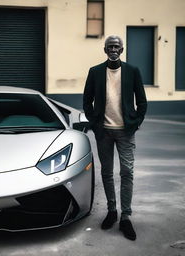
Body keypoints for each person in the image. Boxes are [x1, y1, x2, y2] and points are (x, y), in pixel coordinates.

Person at [83, 35, 147, 241]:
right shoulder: (95, 72)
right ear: (105, 50)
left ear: (122, 49)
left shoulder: (132, 71)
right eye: (110, 46)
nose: (113, 49)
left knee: (127, 172)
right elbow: (87, 101)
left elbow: (142, 102)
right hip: (104, 131)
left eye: (116, 46)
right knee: (108, 173)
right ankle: (112, 211)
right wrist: (95, 124)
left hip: (125, 131)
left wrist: (134, 123)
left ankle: (126, 217)